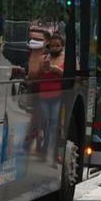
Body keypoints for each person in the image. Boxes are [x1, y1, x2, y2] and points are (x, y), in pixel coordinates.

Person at [37, 34, 65, 165]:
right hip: (43, 95)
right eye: (53, 46)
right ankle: (44, 148)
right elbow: (35, 74)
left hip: (57, 96)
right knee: (45, 123)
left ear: (62, 46)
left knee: (54, 124)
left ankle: (51, 152)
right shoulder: (44, 58)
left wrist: (56, 69)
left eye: (57, 46)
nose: (55, 48)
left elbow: (70, 75)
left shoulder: (66, 58)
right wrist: (42, 68)